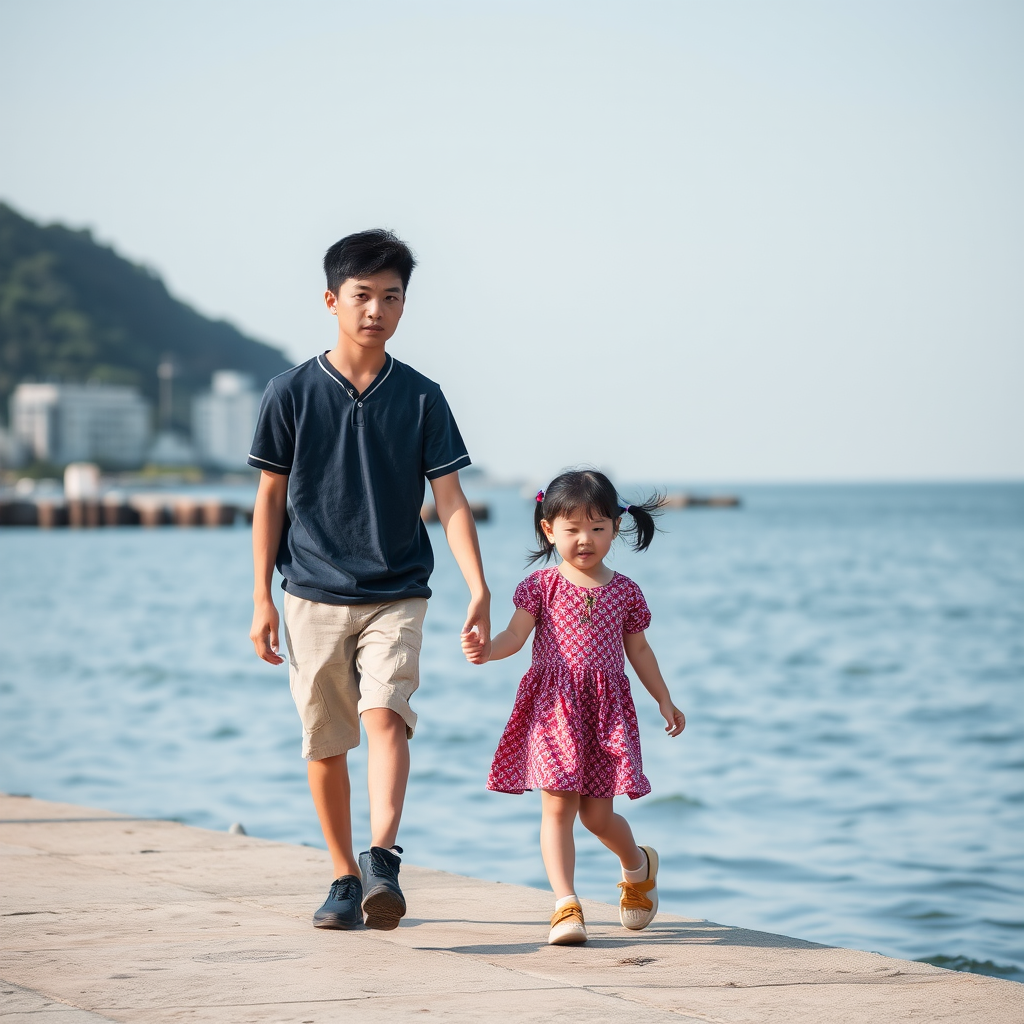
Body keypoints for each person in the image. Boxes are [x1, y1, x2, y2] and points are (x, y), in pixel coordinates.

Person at [248, 229, 490, 931]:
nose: (376, 309)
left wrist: (478, 586)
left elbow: (449, 499)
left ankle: (382, 855)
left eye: (391, 297)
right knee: (325, 739)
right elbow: (269, 498)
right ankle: (343, 877)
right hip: (310, 593)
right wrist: (261, 596)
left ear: (404, 306)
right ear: (331, 300)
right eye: (362, 296)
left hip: (398, 591)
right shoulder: (289, 393)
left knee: (386, 714)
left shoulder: (421, 397)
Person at [461, 469, 685, 945]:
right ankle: (565, 904)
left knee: (597, 817)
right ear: (549, 529)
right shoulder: (540, 586)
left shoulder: (624, 591)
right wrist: (488, 650)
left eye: (598, 528)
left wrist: (663, 698)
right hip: (552, 710)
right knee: (558, 807)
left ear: (615, 529)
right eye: (573, 529)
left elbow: (639, 652)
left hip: (604, 713)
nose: (586, 539)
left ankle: (638, 866)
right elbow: (515, 637)